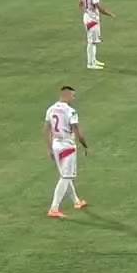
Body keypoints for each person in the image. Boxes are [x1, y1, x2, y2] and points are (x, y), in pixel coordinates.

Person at [43, 84, 91, 218]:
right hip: (68, 147)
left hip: (56, 146)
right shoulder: (71, 111)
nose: (74, 98)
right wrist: (85, 145)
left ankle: (76, 201)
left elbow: (46, 129)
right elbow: (77, 131)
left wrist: (49, 149)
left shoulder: (51, 109)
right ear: (67, 95)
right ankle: (54, 208)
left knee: (66, 175)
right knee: (66, 176)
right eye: (73, 95)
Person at [80, 0, 114, 69]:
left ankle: (93, 60)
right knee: (91, 42)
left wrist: (86, 12)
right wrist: (110, 14)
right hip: (92, 20)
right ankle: (90, 64)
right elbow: (99, 8)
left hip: (87, 17)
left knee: (94, 41)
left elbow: (80, 3)